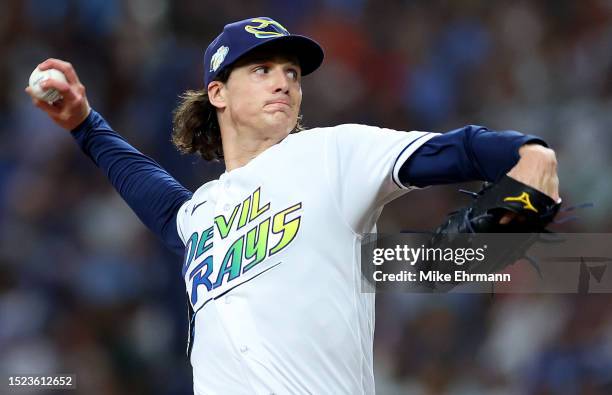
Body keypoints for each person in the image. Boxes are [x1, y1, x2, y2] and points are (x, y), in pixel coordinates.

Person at [27, 16, 559, 395]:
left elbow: (458, 148)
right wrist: (84, 125)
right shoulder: (202, 215)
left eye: (291, 72)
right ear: (218, 93)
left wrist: (526, 151)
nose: (283, 80)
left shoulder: (331, 154)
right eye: (261, 70)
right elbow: (154, 195)